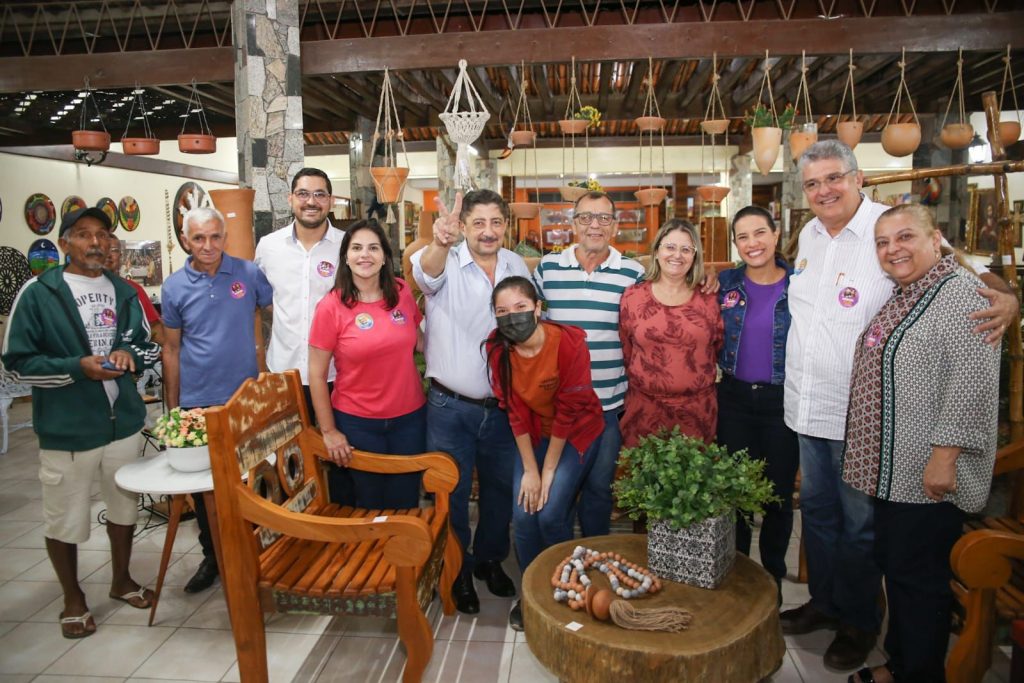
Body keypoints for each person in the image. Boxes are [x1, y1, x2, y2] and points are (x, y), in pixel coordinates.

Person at [782, 140, 1015, 671]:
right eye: (813, 183)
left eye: (833, 178)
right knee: (817, 515)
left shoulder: (890, 229)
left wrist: (1007, 297)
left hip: (867, 420)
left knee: (860, 527)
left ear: (858, 178)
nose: (823, 191)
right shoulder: (808, 235)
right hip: (809, 407)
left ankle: (858, 621)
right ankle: (825, 601)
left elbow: (970, 273)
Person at [843, 205, 999, 683]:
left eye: (905, 237)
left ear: (936, 240)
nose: (893, 249)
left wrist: (945, 457)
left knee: (920, 578)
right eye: (883, 242)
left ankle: (918, 673)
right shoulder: (912, 291)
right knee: (900, 569)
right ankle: (900, 663)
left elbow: (970, 383)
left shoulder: (961, 293)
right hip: (897, 468)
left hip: (926, 472)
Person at [1, 207, 160, 638]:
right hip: (68, 427)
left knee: (124, 506)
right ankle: (72, 597)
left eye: (102, 234)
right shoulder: (40, 292)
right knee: (65, 515)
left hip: (122, 423)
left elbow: (146, 345)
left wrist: (129, 354)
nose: (95, 242)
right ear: (65, 243)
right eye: (84, 234)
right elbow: (17, 364)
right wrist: (77, 368)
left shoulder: (124, 291)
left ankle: (122, 579)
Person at [411, 189, 530, 617]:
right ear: (463, 227)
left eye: (496, 222)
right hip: (450, 407)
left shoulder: (516, 265)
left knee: (499, 491)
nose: (488, 231)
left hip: (502, 408)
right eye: (478, 223)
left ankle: (489, 560)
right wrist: (439, 242)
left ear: (506, 226)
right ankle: (457, 568)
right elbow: (425, 276)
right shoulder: (442, 259)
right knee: (452, 492)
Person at [160, 206, 273, 594]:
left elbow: (275, 315)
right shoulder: (174, 287)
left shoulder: (249, 273)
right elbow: (171, 349)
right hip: (198, 403)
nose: (207, 245)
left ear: (224, 237)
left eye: (214, 236)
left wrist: (266, 367)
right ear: (186, 240)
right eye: (198, 238)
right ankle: (213, 556)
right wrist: (174, 410)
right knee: (204, 489)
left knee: (253, 480)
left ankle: (257, 551)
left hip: (245, 399)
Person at [485, 276, 604, 630]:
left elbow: (569, 412)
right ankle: (533, 591)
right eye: (502, 311)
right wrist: (530, 470)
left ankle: (564, 586)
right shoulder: (498, 349)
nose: (512, 317)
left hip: (576, 433)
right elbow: (514, 411)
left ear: (538, 308)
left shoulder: (568, 343)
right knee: (524, 513)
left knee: (550, 513)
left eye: (520, 307)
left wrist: (548, 470)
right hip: (534, 434)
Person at [531, 191, 644, 539]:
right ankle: (562, 562)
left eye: (604, 218)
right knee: (558, 498)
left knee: (599, 491)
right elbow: (531, 329)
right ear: (573, 223)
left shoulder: (634, 273)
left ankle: (594, 557)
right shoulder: (548, 268)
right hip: (559, 408)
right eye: (586, 217)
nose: (595, 225)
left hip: (608, 408)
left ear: (615, 225)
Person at [308, 219, 424, 509]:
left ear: (384, 256)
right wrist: (329, 432)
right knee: (369, 506)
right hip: (357, 424)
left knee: (405, 503)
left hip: (410, 420)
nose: (365, 255)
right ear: (346, 257)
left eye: (373, 248)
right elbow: (317, 375)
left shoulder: (401, 292)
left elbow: (421, 341)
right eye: (357, 248)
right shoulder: (331, 306)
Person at [715, 206, 797, 598]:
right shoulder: (725, 284)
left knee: (777, 497)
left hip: (781, 402)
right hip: (733, 399)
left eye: (760, 233)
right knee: (736, 496)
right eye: (743, 237)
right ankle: (740, 578)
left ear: (776, 234)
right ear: (735, 243)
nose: (753, 243)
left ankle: (772, 580)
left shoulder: (800, 286)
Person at [619, 219, 723, 447]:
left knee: (696, 469)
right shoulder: (632, 297)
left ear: (695, 256)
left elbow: (717, 347)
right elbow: (627, 349)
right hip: (643, 411)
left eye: (686, 249)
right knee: (640, 469)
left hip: (697, 413)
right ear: (656, 251)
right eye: (670, 247)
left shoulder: (710, 298)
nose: (677, 255)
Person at [254, 167, 344, 420]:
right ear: (290, 199)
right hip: (284, 371)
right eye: (303, 194)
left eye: (320, 194)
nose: (311, 202)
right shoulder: (269, 246)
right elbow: (263, 299)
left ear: (330, 200)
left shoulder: (348, 246)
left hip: (336, 372)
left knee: (336, 442)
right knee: (289, 442)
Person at [107, 239, 163, 344]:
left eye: (113, 250)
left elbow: (155, 329)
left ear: (120, 256)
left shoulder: (133, 289)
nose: (108, 254)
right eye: (103, 249)